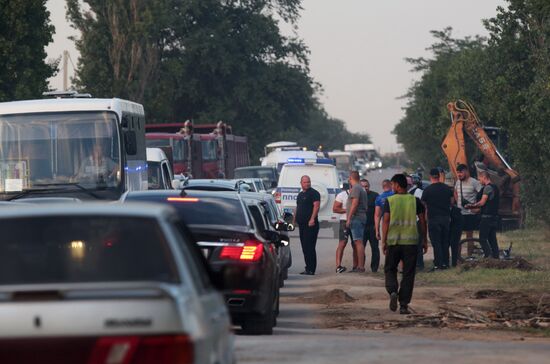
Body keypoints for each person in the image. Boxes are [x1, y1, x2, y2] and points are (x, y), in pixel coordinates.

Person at [382, 174, 427, 315]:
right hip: (411, 243)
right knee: (408, 273)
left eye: (393, 185)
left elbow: (386, 221)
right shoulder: (415, 201)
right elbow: (423, 221)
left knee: (390, 269)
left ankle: (393, 290)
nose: (392, 187)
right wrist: (424, 239)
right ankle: (403, 305)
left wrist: (384, 240)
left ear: (396, 185)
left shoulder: (390, 201)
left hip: (394, 241)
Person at [421, 168, 454, 271]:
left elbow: (423, 204)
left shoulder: (427, 190)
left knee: (436, 242)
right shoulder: (447, 188)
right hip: (445, 218)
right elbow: (452, 202)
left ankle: (438, 264)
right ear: (439, 176)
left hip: (433, 219)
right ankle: (446, 263)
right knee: (445, 241)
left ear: (431, 177)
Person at [466, 171, 500, 259]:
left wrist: (471, 205)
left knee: (482, 239)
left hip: (486, 218)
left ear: (484, 177)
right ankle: (496, 257)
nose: (479, 181)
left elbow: (482, 202)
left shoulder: (487, 188)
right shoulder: (495, 187)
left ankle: (488, 256)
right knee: (492, 239)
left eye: (479, 179)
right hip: (494, 217)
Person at [294, 175, 321, 275]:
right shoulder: (300, 195)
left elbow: (316, 206)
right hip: (302, 225)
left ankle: (311, 269)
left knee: (310, 246)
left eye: (308, 182)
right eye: (305, 182)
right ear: (301, 183)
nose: (307, 184)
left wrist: (312, 219)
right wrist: (294, 220)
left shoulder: (314, 193)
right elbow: (298, 207)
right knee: (304, 246)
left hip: (310, 225)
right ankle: (307, 267)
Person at [454, 164, 482, 257]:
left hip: (470, 214)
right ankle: (457, 258)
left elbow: (482, 194)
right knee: (457, 236)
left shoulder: (474, 182)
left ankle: (469, 257)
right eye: (458, 173)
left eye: (461, 172)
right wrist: (457, 201)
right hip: (459, 214)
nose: (459, 175)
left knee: (469, 237)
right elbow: (455, 192)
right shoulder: (458, 182)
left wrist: (477, 208)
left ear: (466, 171)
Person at [346, 171, 369, 272]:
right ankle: (359, 266)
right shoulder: (361, 188)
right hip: (361, 217)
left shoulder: (356, 188)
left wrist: (349, 218)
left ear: (350, 178)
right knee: (358, 242)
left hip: (356, 218)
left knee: (358, 242)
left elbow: (354, 204)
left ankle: (360, 266)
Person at [361, 179, 380, 272]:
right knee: (360, 248)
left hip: (373, 226)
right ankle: (360, 266)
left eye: (366, 186)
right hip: (361, 226)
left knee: (375, 248)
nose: (365, 188)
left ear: (369, 186)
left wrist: (377, 227)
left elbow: (379, 212)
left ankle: (374, 268)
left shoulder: (375, 196)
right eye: (362, 186)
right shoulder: (357, 196)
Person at [333, 182, 351, 273]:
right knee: (342, 243)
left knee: (357, 244)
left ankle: (358, 267)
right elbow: (335, 208)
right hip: (344, 220)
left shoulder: (361, 194)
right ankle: (338, 266)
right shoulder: (342, 195)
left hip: (357, 221)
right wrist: (347, 210)